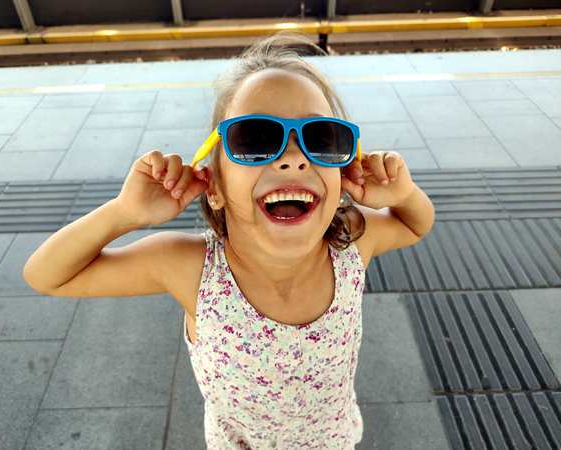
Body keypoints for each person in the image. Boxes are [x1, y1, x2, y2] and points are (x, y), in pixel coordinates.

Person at [23, 32, 435, 450]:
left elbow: (415, 224)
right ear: (214, 186)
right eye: (254, 140)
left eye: (321, 139)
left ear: (344, 173)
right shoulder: (192, 270)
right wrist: (124, 213)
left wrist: (403, 194)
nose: (293, 158)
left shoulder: (352, 242)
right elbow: (47, 276)